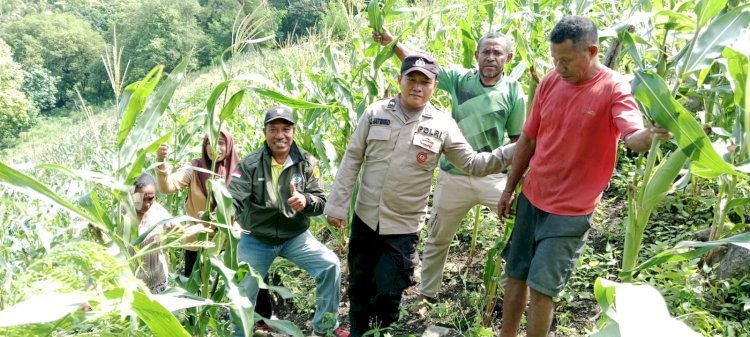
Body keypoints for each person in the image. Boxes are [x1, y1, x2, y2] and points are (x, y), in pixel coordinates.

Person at [495, 16, 671, 337]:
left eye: (566, 59)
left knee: (542, 289)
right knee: (516, 275)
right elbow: (529, 139)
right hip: (532, 197)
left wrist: (650, 134)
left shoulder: (614, 88)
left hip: (570, 212)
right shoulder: (550, 81)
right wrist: (510, 188)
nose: (558, 67)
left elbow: (633, 136)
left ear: (591, 51)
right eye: (554, 59)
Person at [324, 54, 516, 337]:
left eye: (424, 82)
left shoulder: (442, 124)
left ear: (434, 86)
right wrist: (337, 205)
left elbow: (473, 164)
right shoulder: (375, 113)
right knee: (360, 285)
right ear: (399, 81)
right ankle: (358, 332)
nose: (416, 86)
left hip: (403, 225)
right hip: (365, 218)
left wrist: (522, 147)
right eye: (411, 79)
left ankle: (382, 332)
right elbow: (352, 158)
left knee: (389, 291)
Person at [373, 27, 526, 309]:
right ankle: (427, 293)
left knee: (522, 226)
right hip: (453, 175)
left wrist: (513, 186)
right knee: (437, 238)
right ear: (476, 55)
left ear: (509, 58)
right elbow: (419, 67)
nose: (491, 57)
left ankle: (508, 292)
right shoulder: (459, 79)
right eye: (486, 52)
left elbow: (519, 142)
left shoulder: (514, 91)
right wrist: (391, 42)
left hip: (492, 176)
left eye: (497, 53)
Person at [228, 105, 349, 337]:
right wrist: (229, 215)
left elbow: (321, 201)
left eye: (286, 129)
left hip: (295, 236)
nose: (280, 135)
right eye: (273, 129)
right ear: (265, 132)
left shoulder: (306, 162)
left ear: (293, 131)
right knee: (241, 291)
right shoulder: (250, 164)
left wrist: (305, 200)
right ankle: (239, 333)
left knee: (330, 265)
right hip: (257, 238)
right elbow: (234, 196)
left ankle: (324, 328)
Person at [156, 131, 274, 324]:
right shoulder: (194, 168)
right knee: (193, 281)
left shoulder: (240, 170)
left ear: (228, 145)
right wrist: (161, 162)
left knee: (253, 273)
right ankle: (195, 325)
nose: (215, 148)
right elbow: (167, 187)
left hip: (232, 237)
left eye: (220, 143)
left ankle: (261, 319)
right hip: (199, 236)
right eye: (210, 143)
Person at [132, 172, 173, 294]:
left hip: (157, 281)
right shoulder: (122, 215)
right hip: (131, 282)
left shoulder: (158, 211)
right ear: (132, 194)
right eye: (141, 198)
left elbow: (176, 226)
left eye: (151, 199)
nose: (146, 204)